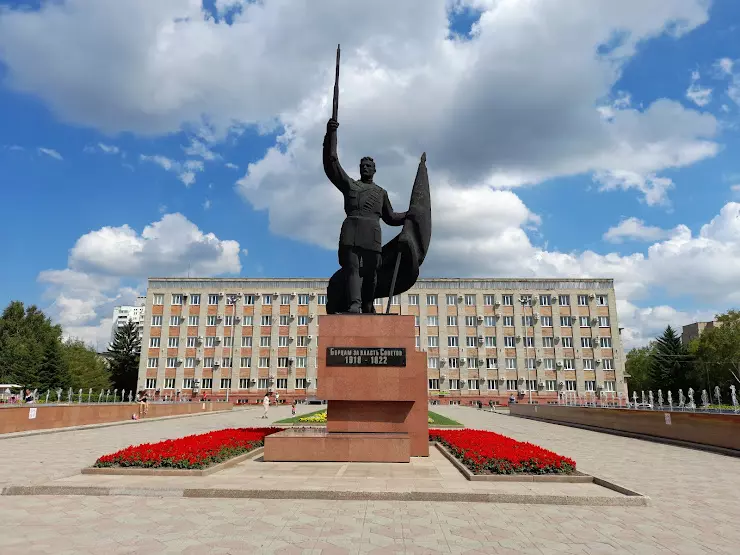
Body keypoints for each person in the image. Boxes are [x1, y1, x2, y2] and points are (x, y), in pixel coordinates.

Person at [323, 118, 410, 313]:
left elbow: (390, 217)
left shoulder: (380, 192)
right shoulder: (350, 185)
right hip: (351, 231)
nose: (365, 168)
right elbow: (332, 164)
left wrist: (410, 215)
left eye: (368, 166)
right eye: (362, 166)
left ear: (374, 170)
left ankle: (368, 304)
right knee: (352, 270)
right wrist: (331, 135)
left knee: (371, 273)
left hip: (372, 234)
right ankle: (355, 304)